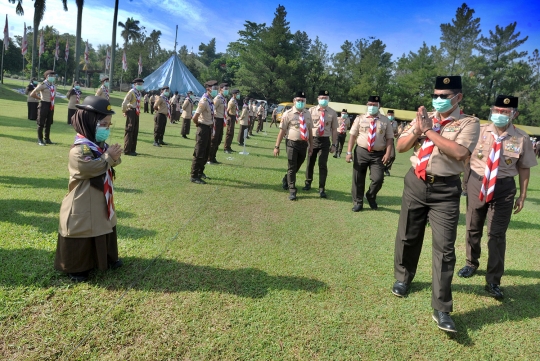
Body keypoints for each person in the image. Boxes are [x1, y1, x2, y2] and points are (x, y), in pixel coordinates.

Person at [392, 76, 480, 333]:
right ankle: (403, 278)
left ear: (458, 98)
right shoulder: (423, 118)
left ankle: (441, 308)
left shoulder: (469, 123)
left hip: (446, 189)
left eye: (445, 95)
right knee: (408, 234)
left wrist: (430, 130)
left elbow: (460, 152)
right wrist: (420, 129)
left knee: (444, 248)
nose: (439, 100)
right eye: (436, 95)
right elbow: (401, 145)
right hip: (416, 182)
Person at [457, 95, 537, 299]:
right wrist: (465, 183)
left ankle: (493, 280)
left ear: (514, 114)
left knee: (497, 235)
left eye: (505, 112)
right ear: (491, 110)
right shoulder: (479, 131)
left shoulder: (521, 138)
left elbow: (524, 168)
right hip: (478, 182)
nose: (500, 115)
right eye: (497, 110)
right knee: (473, 226)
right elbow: (465, 157)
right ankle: (471, 263)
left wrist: (523, 195)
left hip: (504, 188)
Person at [55, 96, 123, 282]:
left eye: (109, 125)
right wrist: (109, 158)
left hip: (100, 197)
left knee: (103, 225)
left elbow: (110, 162)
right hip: (82, 200)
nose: (106, 129)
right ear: (90, 122)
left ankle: (107, 258)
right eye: (103, 124)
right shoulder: (79, 149)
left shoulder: (98, 145)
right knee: (82, 229)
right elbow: (87, 169)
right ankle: (77, 267)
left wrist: (113, 157)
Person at [345, 96, 393, 210]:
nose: (371, 107)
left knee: (378, 178)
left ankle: (371, 195)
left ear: (379, 106)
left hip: (378, 154)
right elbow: (352, 136)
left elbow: (390, 139)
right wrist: (348, 152)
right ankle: (358, 202)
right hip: (361, 151)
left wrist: (388, 153)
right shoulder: (360, 118)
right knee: (358, 178)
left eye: (374, 105)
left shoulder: (385, 120)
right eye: (370, 104)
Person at [274, 91, 314, 201]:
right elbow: (282, 131)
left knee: (298, 165)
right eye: (298, 100)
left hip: (303, 144)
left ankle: (286, 179)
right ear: (294, 101)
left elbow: (310, 131)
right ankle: (292, 190)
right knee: (292, 166)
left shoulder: (307, 114)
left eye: (303, 101)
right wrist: (276, 146)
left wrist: (311, 146)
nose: (300, 102)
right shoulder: (288, 114)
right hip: (292, 143)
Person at [304, 90, 338, 198]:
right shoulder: (311, 110)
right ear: (318, 99)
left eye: (326, 98)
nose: (323, 100)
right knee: (310, 163)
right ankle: (308, 182)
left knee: (322, 164)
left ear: (328, 99)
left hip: (324, 140)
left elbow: (334, 130)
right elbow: (307, 126)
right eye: (322, 98)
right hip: (312, 139)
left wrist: (334, 144)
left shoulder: (332, 113)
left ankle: (322, 188)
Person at [190, 80, 218, 184]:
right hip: (203, 128)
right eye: (214, 89)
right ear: (208, 89)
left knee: (206, 152)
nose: (216, 90)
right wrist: (199, 125)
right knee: (199, 152)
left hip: (208, 128)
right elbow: (195, 117)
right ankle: (194, 175)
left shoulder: (210, 100)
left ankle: (200, 172)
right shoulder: (204, 101)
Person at [30, 70, 57, 146]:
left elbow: (54, 95)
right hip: (44, 104)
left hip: (51, 105)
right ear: (46, 76)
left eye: (53, 76)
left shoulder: (53, 86)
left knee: (49, 123)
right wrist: (40, 98)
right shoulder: (42, 85)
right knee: (41, 122)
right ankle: (40, 139)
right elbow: (32, 94)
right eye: (51, 76)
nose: (52, 77)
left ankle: (47, 139)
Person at [121, 78, 144, 156]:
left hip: (136, 112)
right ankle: (127, 150)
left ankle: (132, 149)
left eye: (141, 84)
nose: (140, 86)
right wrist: (124, 111)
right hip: (131, 112)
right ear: (135, 84)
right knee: (130, 130)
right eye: (139, 84)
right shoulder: (131, 92)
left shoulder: (138, 93)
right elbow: (124, 103)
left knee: (135, 131)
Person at [208, 83, 229, 164]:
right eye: (225, 89)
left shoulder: (224, 99)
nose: (227, 91)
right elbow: (212, 110)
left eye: (227, 89)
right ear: (221, 89)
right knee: (214, 139)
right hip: (216, 120)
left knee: (219, 139)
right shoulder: (217, 98)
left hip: (221, 120)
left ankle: (213, 157)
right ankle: (209, 158)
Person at [384, 110, 399, 176]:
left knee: (392, 156)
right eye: (389, 114)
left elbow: (396, 132)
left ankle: (386, 168)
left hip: (390, 140)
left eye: (392, 115)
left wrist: (396, 134)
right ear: (387, 115)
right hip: (382, 139)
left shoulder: (395, 123)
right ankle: (379, 168)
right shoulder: (383, 121)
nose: (390, 116)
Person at [224, 89, 240, 153]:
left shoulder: (235, 101)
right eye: (237, 94)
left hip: (233, 117)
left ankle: (229, 146)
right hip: (230, 117)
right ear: (234, 94)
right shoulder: (232, 101)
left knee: (232, 133)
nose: (238, 95)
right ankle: (226, 148)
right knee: (229, 133)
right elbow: (227, 110)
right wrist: (228, 117)